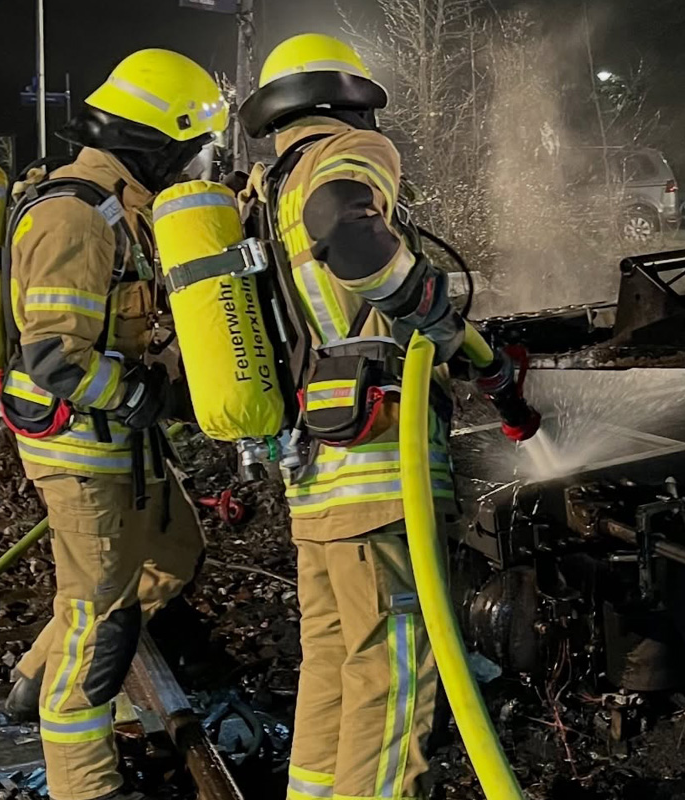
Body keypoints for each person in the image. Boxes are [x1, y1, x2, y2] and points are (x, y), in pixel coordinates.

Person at [238, 33, 538, 800]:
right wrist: (436, 316)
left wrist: (468, 355)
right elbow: (349, 224)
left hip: (314, 471)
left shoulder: (265, 191)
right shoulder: (348, 149)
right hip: (376, 469)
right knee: (397, 672)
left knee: (335, 661)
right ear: (347, 97)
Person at [0, 49, 227, 800]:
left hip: (122, 445)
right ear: (154, 143)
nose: (194, 164)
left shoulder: (119, 205)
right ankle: (84, 781)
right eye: (189, 149)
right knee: (100, 625)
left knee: (175, 550)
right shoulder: (77, 215)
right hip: (83, 450)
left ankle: (36, 674)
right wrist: (144, 398)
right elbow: (56, 356)